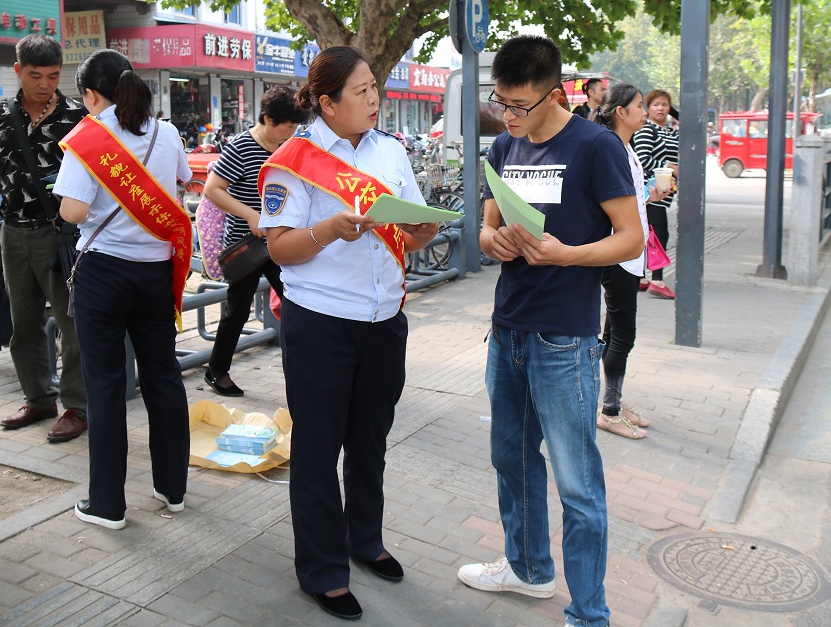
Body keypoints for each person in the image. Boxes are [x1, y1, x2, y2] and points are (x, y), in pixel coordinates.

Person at [456, 36, 641, 627]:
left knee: (578, 485)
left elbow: (631, 238)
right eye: (501, 103)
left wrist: (568, 254)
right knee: (511, 460)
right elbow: (485, 230)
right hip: (507, 329)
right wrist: (497, 242)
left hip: (564, 340)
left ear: (554, 94)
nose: (508, 117)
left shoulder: (596, 146)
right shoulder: (505, 145)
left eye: (520, 106)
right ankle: (528, 568)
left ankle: (589, 613)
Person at [258, 46, 438, 621]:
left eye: (374, 87)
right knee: (317, 449)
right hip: (320, 323)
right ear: (328, 103)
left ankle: (366, 541)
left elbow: (416, 234)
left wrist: (424, 227)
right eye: (360, 91)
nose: (373, 99)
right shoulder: (294, 160)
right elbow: (279, 248)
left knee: (369, 441)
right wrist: (330, 230)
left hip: (384, 321)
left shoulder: (390, 150)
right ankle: (322, 569)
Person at [54, 49, 193, 530]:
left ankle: (108, 504)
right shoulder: (166, 132)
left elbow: (73, 211)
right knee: (164, 377)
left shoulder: (90, 136)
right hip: (155, 275)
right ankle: (172, 488)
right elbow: (182, 181)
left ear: (92, 95)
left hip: (104, 276)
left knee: (106, 387)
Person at [0, 34, 89, 442]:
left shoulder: (77, 116)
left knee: (70, 323)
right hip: (13, 233)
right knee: (23, 323)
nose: (44, 84)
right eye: (35, 75)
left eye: (53, 76)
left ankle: (77, 406)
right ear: (18, 70)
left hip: (60, 234)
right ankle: (38, 398)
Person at [202, 85, 305, 396]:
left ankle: (303, 370)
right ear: (268, 119)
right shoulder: (241, 147)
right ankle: (216, 371)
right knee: (238, 310)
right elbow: (212, 189)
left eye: (296, 126)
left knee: (297, 303)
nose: (292, 132)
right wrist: (250, 215)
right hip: (246, 245)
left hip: (280, 241)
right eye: (288, 126)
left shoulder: (289, 147)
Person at [592, 84, 670, 440]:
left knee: (615, 333)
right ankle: (608, 410)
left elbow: (628, 198)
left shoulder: (626, 149)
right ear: (620, 112)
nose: (645, 111)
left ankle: (613, 401)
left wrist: (651, 193)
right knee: (623, 335)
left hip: (630, 252)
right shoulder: (612, 150)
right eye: (639, 105)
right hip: (620, 253)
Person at [631, 88, 679, 299]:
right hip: (649, 189)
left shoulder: (670, 131)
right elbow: (642, 159)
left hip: (664, 190)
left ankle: (642, 277)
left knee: (649, 232)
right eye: (655, 104)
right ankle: (657, 279)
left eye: (665, 105)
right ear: (647, 108)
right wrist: (669, 166)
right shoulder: (646, 129)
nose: (661, 108)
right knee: (659, 233)